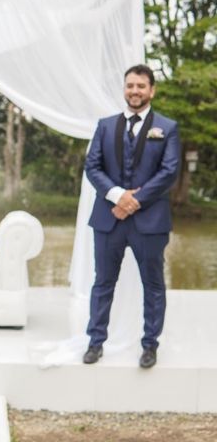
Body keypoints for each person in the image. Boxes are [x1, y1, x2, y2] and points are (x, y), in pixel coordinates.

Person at [82, 64, 181, 369]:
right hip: (108, 221)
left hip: (150, 224)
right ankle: (95, 341)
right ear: (124, 89)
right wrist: (117, 195)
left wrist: (133, 200)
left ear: (152, 90)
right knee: (103, 283)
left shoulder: (168, 127)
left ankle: (150, 345)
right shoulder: (105, 125)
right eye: (130, 86)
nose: (135, 91)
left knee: (153, 285)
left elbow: (169, 172)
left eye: (141, 86)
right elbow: (92, 167)